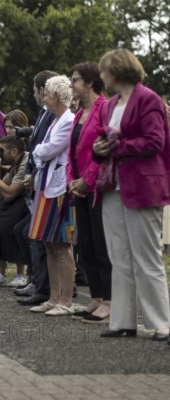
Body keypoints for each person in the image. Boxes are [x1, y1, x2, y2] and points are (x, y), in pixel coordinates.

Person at [93, 49, 170, 340]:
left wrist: (116, 147)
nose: (101, 76)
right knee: (120, 256)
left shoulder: (148, 99)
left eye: (104, 71)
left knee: (147, 256)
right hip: (112, 186)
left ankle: (161, 323)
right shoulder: (111, 103)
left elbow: (155, 141)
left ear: (117, 70)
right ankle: (123, 321)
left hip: (143, 185)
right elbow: (104, 141)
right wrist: (98, 150)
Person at [66, 61, 113, 323]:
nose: (71, 85)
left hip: (98, 188)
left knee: (101, 245)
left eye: (75, 80)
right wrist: (73, 181)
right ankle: (96, 296)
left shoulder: (104, 108)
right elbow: (73, 152)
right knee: (85, 245)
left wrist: (87, 179)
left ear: (89, 83)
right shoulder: (79, 113)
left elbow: (104, 151)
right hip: (80, 188)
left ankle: (109, 300)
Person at [27, 75, 76, 316]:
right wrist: (39, 152)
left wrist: (37, 151)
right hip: (46, 187)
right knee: (48, 243)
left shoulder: (67, 121)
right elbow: (42, 151)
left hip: (59, 190)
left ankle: (66, 300)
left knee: (60, 245)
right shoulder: (56, 120)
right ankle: (53, 297)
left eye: (46, 92)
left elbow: (47, 150)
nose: (43, 95)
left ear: (55, 96)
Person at [16, 70, 59, 306]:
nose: (34, 94)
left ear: (41, 90)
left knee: (38, 237)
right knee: (32, 235)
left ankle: (43, 288)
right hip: (38, 180)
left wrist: (33, 172)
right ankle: (39, 284)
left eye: (34, 90)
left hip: (45, 181)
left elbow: (44, 148)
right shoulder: (43, 114)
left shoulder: (53, 116)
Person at [0, 136, 30, 287]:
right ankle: (2, 273)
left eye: (1, 151)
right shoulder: (15, 164)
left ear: (14, 151)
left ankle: (23, 275)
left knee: (19, 231)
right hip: (16, 201)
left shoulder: (26, 161)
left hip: (28, 204)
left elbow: (9, 194)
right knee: (1, 230)